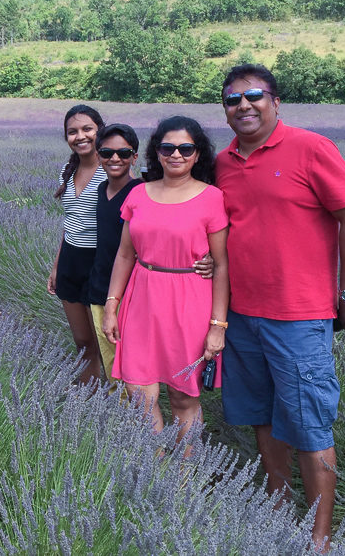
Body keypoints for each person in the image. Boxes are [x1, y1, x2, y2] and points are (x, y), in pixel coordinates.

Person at [214, 63, 345, 552]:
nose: (244, 106)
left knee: (308, 423)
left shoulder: (312, 148)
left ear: (275, 101)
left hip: (299, 316)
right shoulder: (222, 163)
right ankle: (278, 508)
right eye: (233, 99)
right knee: (263, 416)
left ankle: (319, 537)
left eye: (254, 96)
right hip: (241, 315)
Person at [101, 116, 229, 446]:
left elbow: (221, 265)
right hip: (142, 299)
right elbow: (125, 255)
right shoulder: (139, 194)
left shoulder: (212, 197)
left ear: (198, 154)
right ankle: (156, 473)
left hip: (189, 304)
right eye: (167, 147)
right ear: (156, 152)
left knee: (183, 399)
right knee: (139, 394)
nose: (176, 154)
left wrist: (218, 325)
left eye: (186, 148)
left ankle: (185, 479)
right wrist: (111, 306)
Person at [47, 104, 106, 384]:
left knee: (107, 341)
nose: (80, 136)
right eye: (72, 132)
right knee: (82, 340)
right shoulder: (66, 171)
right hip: (71, 261)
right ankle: (89, 398)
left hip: (101, 262)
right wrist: (57, 266)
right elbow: (69, 223)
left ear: (100, 131)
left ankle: (123, 401)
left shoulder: (112, 169)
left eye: (87, 129)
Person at [85, 123, 143, 390]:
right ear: (98, 156)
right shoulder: (100, 190)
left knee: (132, 366)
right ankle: (124, 421)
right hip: (99, 289)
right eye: (107, 153)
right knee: (111, 363)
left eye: (123, 153)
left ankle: (140, 422)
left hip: (132, 294)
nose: (115, 159)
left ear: (135, 156)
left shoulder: (142, 193)